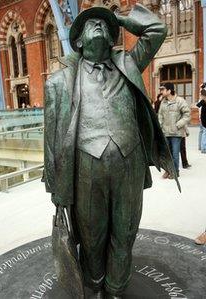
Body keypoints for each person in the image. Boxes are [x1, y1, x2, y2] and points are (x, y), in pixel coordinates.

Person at [44, 4, 179, 299]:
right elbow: (51, 138)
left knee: (125, 231)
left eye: (104, 25)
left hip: (129, 164)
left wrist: (116, 17)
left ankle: (116, 288)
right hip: (85, 169)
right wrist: (56, 188)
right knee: (92, 238)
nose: (99, 26)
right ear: (78, 42)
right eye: (91, 23)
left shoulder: (129, 63)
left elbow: (157, 29)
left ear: (112, 37)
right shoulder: (58, 82)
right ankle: (94, 285)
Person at [158, 83, 190, 178]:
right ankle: (168, 170)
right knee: (166, 154)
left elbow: (187, 115)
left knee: (175, 154)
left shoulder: (180, 101)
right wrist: (160, 126)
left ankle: (175, 172)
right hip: (165, 132)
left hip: (176, 133)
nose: (161, 91)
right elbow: (160, 115)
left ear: (169, 91)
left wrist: (178, 124)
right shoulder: (163, 102)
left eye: (163, 89)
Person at [196, 88, 206, 153]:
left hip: (202, 119)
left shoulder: (202, 101)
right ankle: (203, 148)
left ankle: (201, 147)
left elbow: (197, 106)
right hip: (204, 120)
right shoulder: (202, 101)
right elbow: (197, 106)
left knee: (202, 132)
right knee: (204, 133)